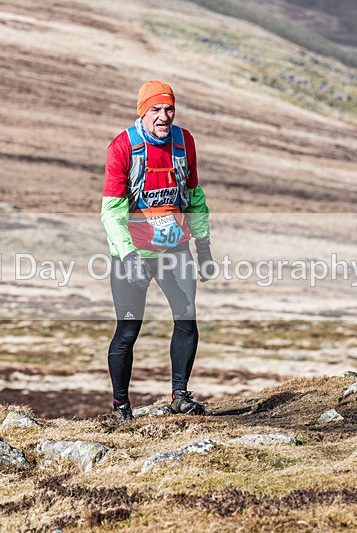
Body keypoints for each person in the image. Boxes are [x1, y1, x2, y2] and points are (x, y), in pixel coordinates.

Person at [101, 80, 213, 421]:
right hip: (133, 254)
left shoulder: (184, 142)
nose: (163, 117)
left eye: (169, 109)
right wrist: (129, 256)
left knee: (187, 319)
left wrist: (203, 246)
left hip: (175, 250)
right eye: (155, 110)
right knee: (128, 331)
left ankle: (180, 395)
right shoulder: (123, 147)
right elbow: (112, 211)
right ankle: (121, 407)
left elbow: (194, 196)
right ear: (142, 112)